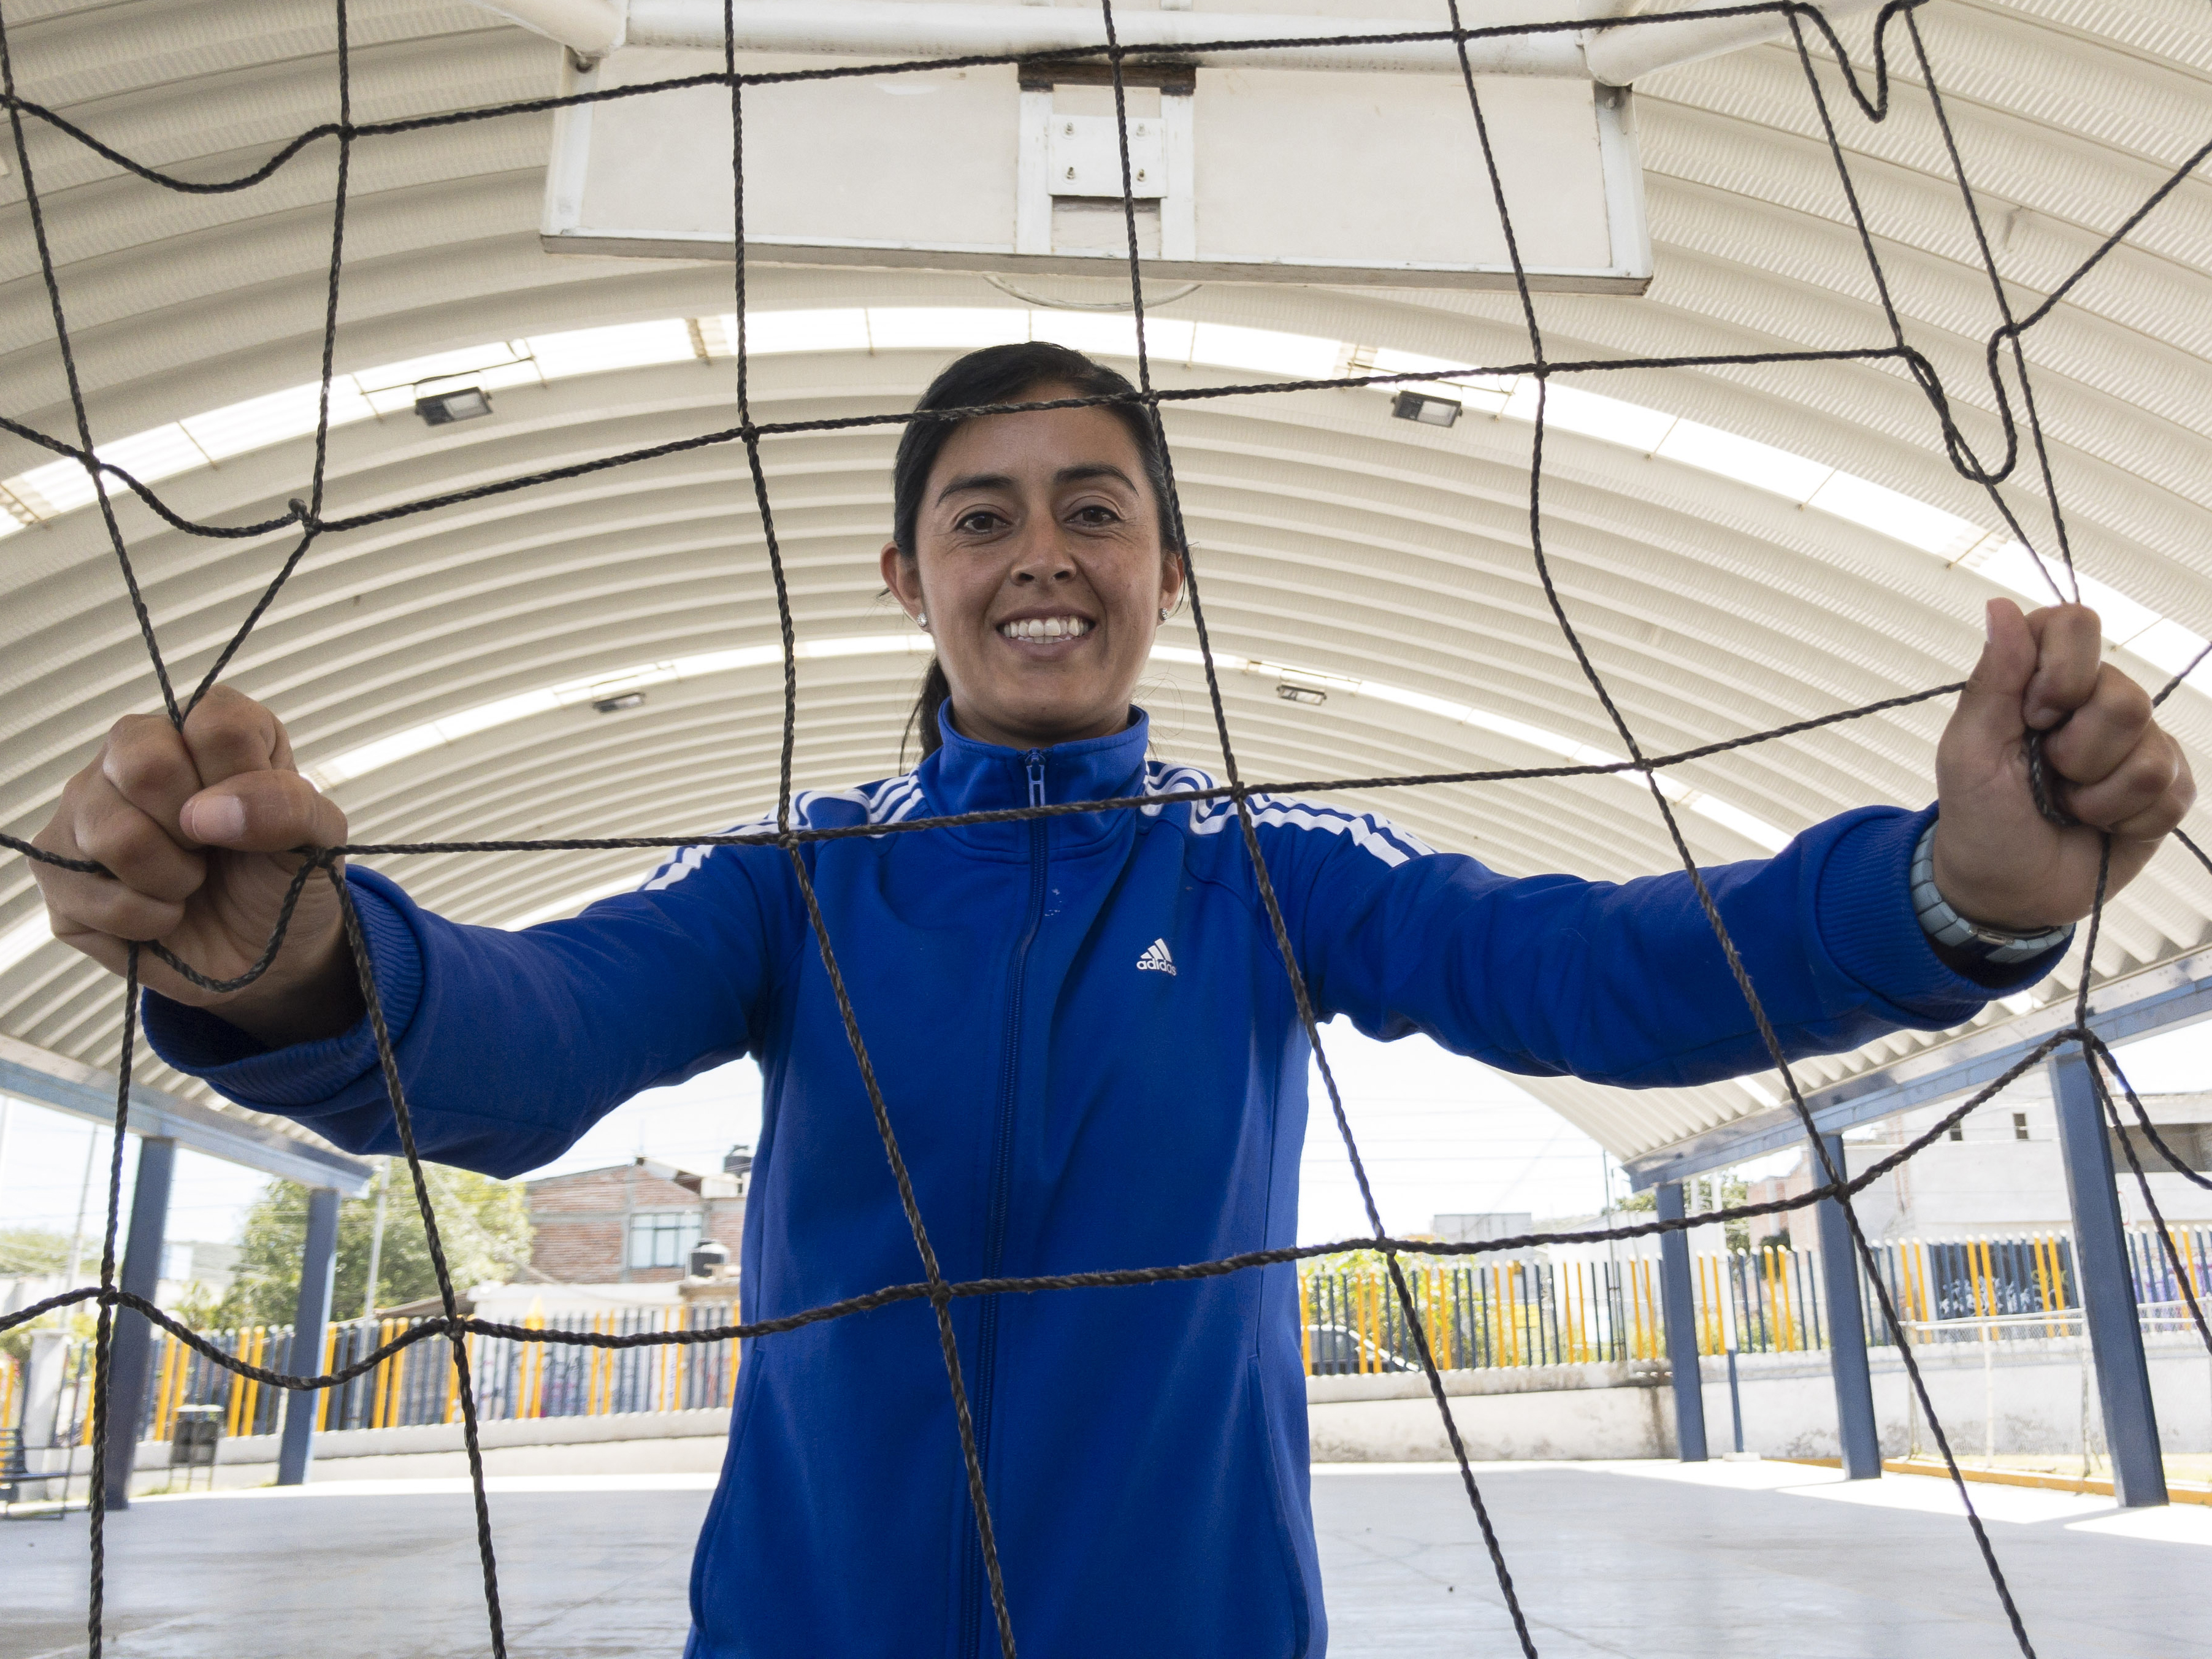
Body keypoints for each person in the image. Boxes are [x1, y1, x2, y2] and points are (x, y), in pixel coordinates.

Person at [32, 342, 2193, 1656]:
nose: (1039, 547)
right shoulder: (801, 878)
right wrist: (313, 967)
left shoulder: (1274, 866)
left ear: (1167, 566)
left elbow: (1595, 970)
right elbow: (530, 1033)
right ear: (906, 577)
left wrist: (1941, 901)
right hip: (809, 1637)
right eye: (981, 514)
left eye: (1095, 506)